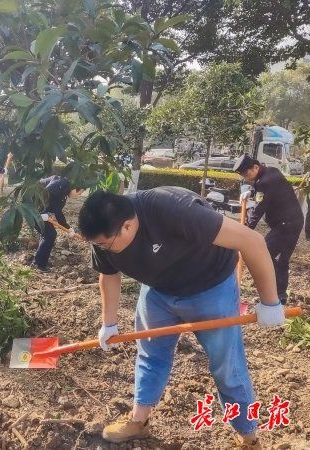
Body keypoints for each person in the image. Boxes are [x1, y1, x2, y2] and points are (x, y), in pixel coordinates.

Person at [78, 187, 285, 449]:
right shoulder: (104, 233)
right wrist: (109, 322)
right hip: (159, 290)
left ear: (127, 227)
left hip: (210, 286)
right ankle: (138, 422)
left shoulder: (173, 209)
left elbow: (252, 240)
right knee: (150, 354)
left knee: (226, 365)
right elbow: (108, 274)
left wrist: (270, 302)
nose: (100, 249)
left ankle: (248, 436)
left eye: (103, 244)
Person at [234, 154, 303, 304]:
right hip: (288, 222)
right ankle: (279, 293)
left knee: (267, 255)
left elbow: (258, 210)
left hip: (287, 225)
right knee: (278, 258)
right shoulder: (271, 171)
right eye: (243, 175)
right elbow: (264, 192)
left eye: (247, 173)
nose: (246, 177)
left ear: (256, 167)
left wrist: (244, 230)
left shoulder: (266, 181)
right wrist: (252, 192)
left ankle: (277, 294)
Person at [31, 175, 84, 272]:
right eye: (79, 193)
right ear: (75, 188)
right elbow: (44, 193)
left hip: (40, 212)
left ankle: (40, 262)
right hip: (32, 209)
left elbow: (58, 212)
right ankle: (38, 264)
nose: (78, 196)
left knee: (48, 235)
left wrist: (68, 229)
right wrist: (39, 212)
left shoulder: (63, 192)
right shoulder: (61, 183)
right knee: (50, 235)